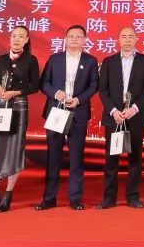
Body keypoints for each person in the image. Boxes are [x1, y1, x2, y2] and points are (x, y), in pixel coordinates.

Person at [37, 24, 99, 210]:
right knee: (53, 157)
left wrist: (79, 100)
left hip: (77, 113)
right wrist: (57, 94)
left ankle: (75, 198)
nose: (74, 39)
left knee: (76, 157)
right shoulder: (54, 59)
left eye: (78, 37)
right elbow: (44, 83)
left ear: (84, 40)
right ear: (65, 38)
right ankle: (49, 198)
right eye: (71, 36)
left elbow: (93, 85)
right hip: (56, 112)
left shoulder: (90, 61)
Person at [97, 25, 144, 210]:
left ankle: (133, 197)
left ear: (136, 39)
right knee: (111, 158)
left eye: (131, 36)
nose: (128, 40)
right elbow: (103, 90)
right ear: (118, 40)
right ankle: (109, 198)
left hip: (135, 114)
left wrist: (134, 109)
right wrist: (114, 110)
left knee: (135, 158)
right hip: (114, 115)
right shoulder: (109, 61)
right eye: (124, 36)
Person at [0, 25, 41, 212]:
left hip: (18, 107)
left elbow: (35, 86)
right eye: (14, 36)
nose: (16, 39)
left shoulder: (31, 60)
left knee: (14, 149)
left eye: (21, 36)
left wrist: (15, 92)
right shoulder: (1, 59)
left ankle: (8, 194)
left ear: (27, 40)